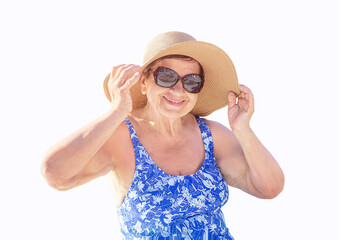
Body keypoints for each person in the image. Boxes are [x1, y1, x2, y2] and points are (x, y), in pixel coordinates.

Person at [41, 31, 285, 239]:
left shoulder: (211, 136)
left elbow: (269, 188)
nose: (178, 90)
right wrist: (117, 110)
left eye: (191, 81)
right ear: (144, 83)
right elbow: (55, 173)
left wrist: (243, 129)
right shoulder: (121, 137)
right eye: (166, 77)